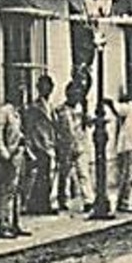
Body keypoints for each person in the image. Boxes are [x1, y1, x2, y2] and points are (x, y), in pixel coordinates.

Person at [0, 86, 30, 240]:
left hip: (19, 155)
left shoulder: (17, 112)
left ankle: (15, 223)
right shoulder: (4, 111)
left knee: (17, 190)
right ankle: (3, 224)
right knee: (7, 191)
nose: (22, 97)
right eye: (19, 94)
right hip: (10, 156)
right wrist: (4, 154)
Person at [21, 74, 58, 216]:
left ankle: (44, 203)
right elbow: (30, 128)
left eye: (48, 87)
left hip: (49, 144)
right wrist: (30, 146)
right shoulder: (34, 107)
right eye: (43, 87)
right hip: (38, 144)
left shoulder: (51, 106)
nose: (46, 90)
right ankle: (35, 204)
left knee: (47, 176)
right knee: (38, 176)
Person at [52, 84, 85, 213]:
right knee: (64, 174)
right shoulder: (60, 110)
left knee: (83, 173)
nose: (75, 97)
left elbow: (79, 127)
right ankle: (62, 199)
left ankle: (88, 200)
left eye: (77, 94)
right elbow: (58, 127)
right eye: (73, 94)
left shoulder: (80, 109)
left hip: (79, 143)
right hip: (65, 145)